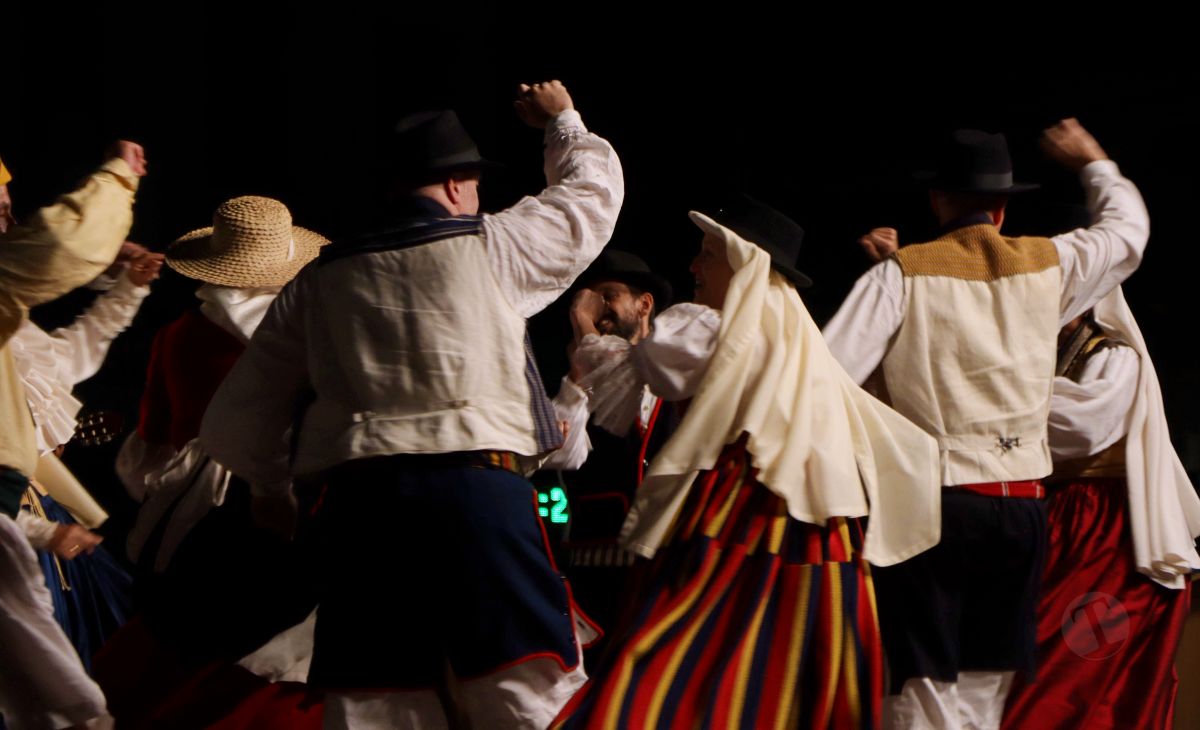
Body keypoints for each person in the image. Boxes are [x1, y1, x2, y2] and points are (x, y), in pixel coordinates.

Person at [201, 80, 624, 728]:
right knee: (525, 696)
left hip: (362, 511)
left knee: (383, 706)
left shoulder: (318, 280)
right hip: (477, 497)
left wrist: (271, 490)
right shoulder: (493, 244)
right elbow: (590, 198)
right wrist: (562, 119)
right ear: (457, 185)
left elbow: (246, 408)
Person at [553, 195, 941, 729]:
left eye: (708, 253)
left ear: (743, 263)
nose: (694, 266)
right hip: (819, 525)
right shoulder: (790, 336)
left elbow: (657, 360)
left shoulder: (728, 330)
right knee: (782, 666)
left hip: (744, 513)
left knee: (681, 651)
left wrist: (586, 330)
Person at [822, 119, 1151, 729]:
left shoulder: (901, 275)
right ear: (1002, 209)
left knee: (920, 688)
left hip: (935, 509)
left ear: (936, 200)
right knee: (984, 692)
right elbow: (1129, 234)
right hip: (1022, 510)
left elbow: (826, 379)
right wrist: (1094, 161)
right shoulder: (1051, 263)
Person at [998, 290, 1200, 729]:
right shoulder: (1045, 360)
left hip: (1104, 526)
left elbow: (1082, 428)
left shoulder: (1115, 358)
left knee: (1067, 674)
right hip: (1057, 518)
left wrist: (994, 396)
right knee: (1033, 666)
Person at [0, 141, 146, 730]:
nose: (8, 219)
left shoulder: (14, 327)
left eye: (9, 207)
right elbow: (59, 246)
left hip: (31, 520)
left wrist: (128, 289)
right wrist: (115, 181)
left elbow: (66, 363)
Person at [543, 249, 676, 649]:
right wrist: (576, 385)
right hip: (593, 572)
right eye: (587, 301)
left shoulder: (671, 369)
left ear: (644, 304)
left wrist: (584, 328)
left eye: (608, 296)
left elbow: (625, 370)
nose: (597, 311)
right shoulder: (585, 376)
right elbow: (559, 455)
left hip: (665, 569)